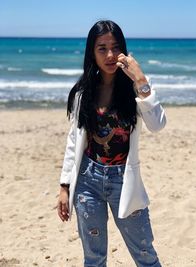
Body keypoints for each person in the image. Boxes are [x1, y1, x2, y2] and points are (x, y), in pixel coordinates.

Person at [57, 20, 166, 267]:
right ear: (91, 53)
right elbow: (74, 141)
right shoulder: (83, 92)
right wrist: (65, 186)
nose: (110, 55)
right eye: (102, 48)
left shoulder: (135, 89)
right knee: (94, 259)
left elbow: (158, 125)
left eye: (116, 47)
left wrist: (141, 80)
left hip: (124, 179)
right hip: (87, 181)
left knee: (145, 254)